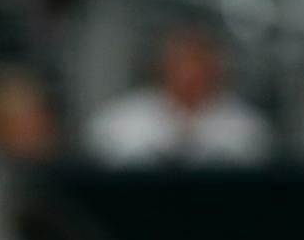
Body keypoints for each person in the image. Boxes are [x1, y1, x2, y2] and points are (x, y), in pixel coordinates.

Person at [86, 28, 273, 165]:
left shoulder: (247, 129)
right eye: (180, 63)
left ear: (217, 70)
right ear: (161, 66)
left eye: (199, 63)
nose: (190, 74)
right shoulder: (118, 122)